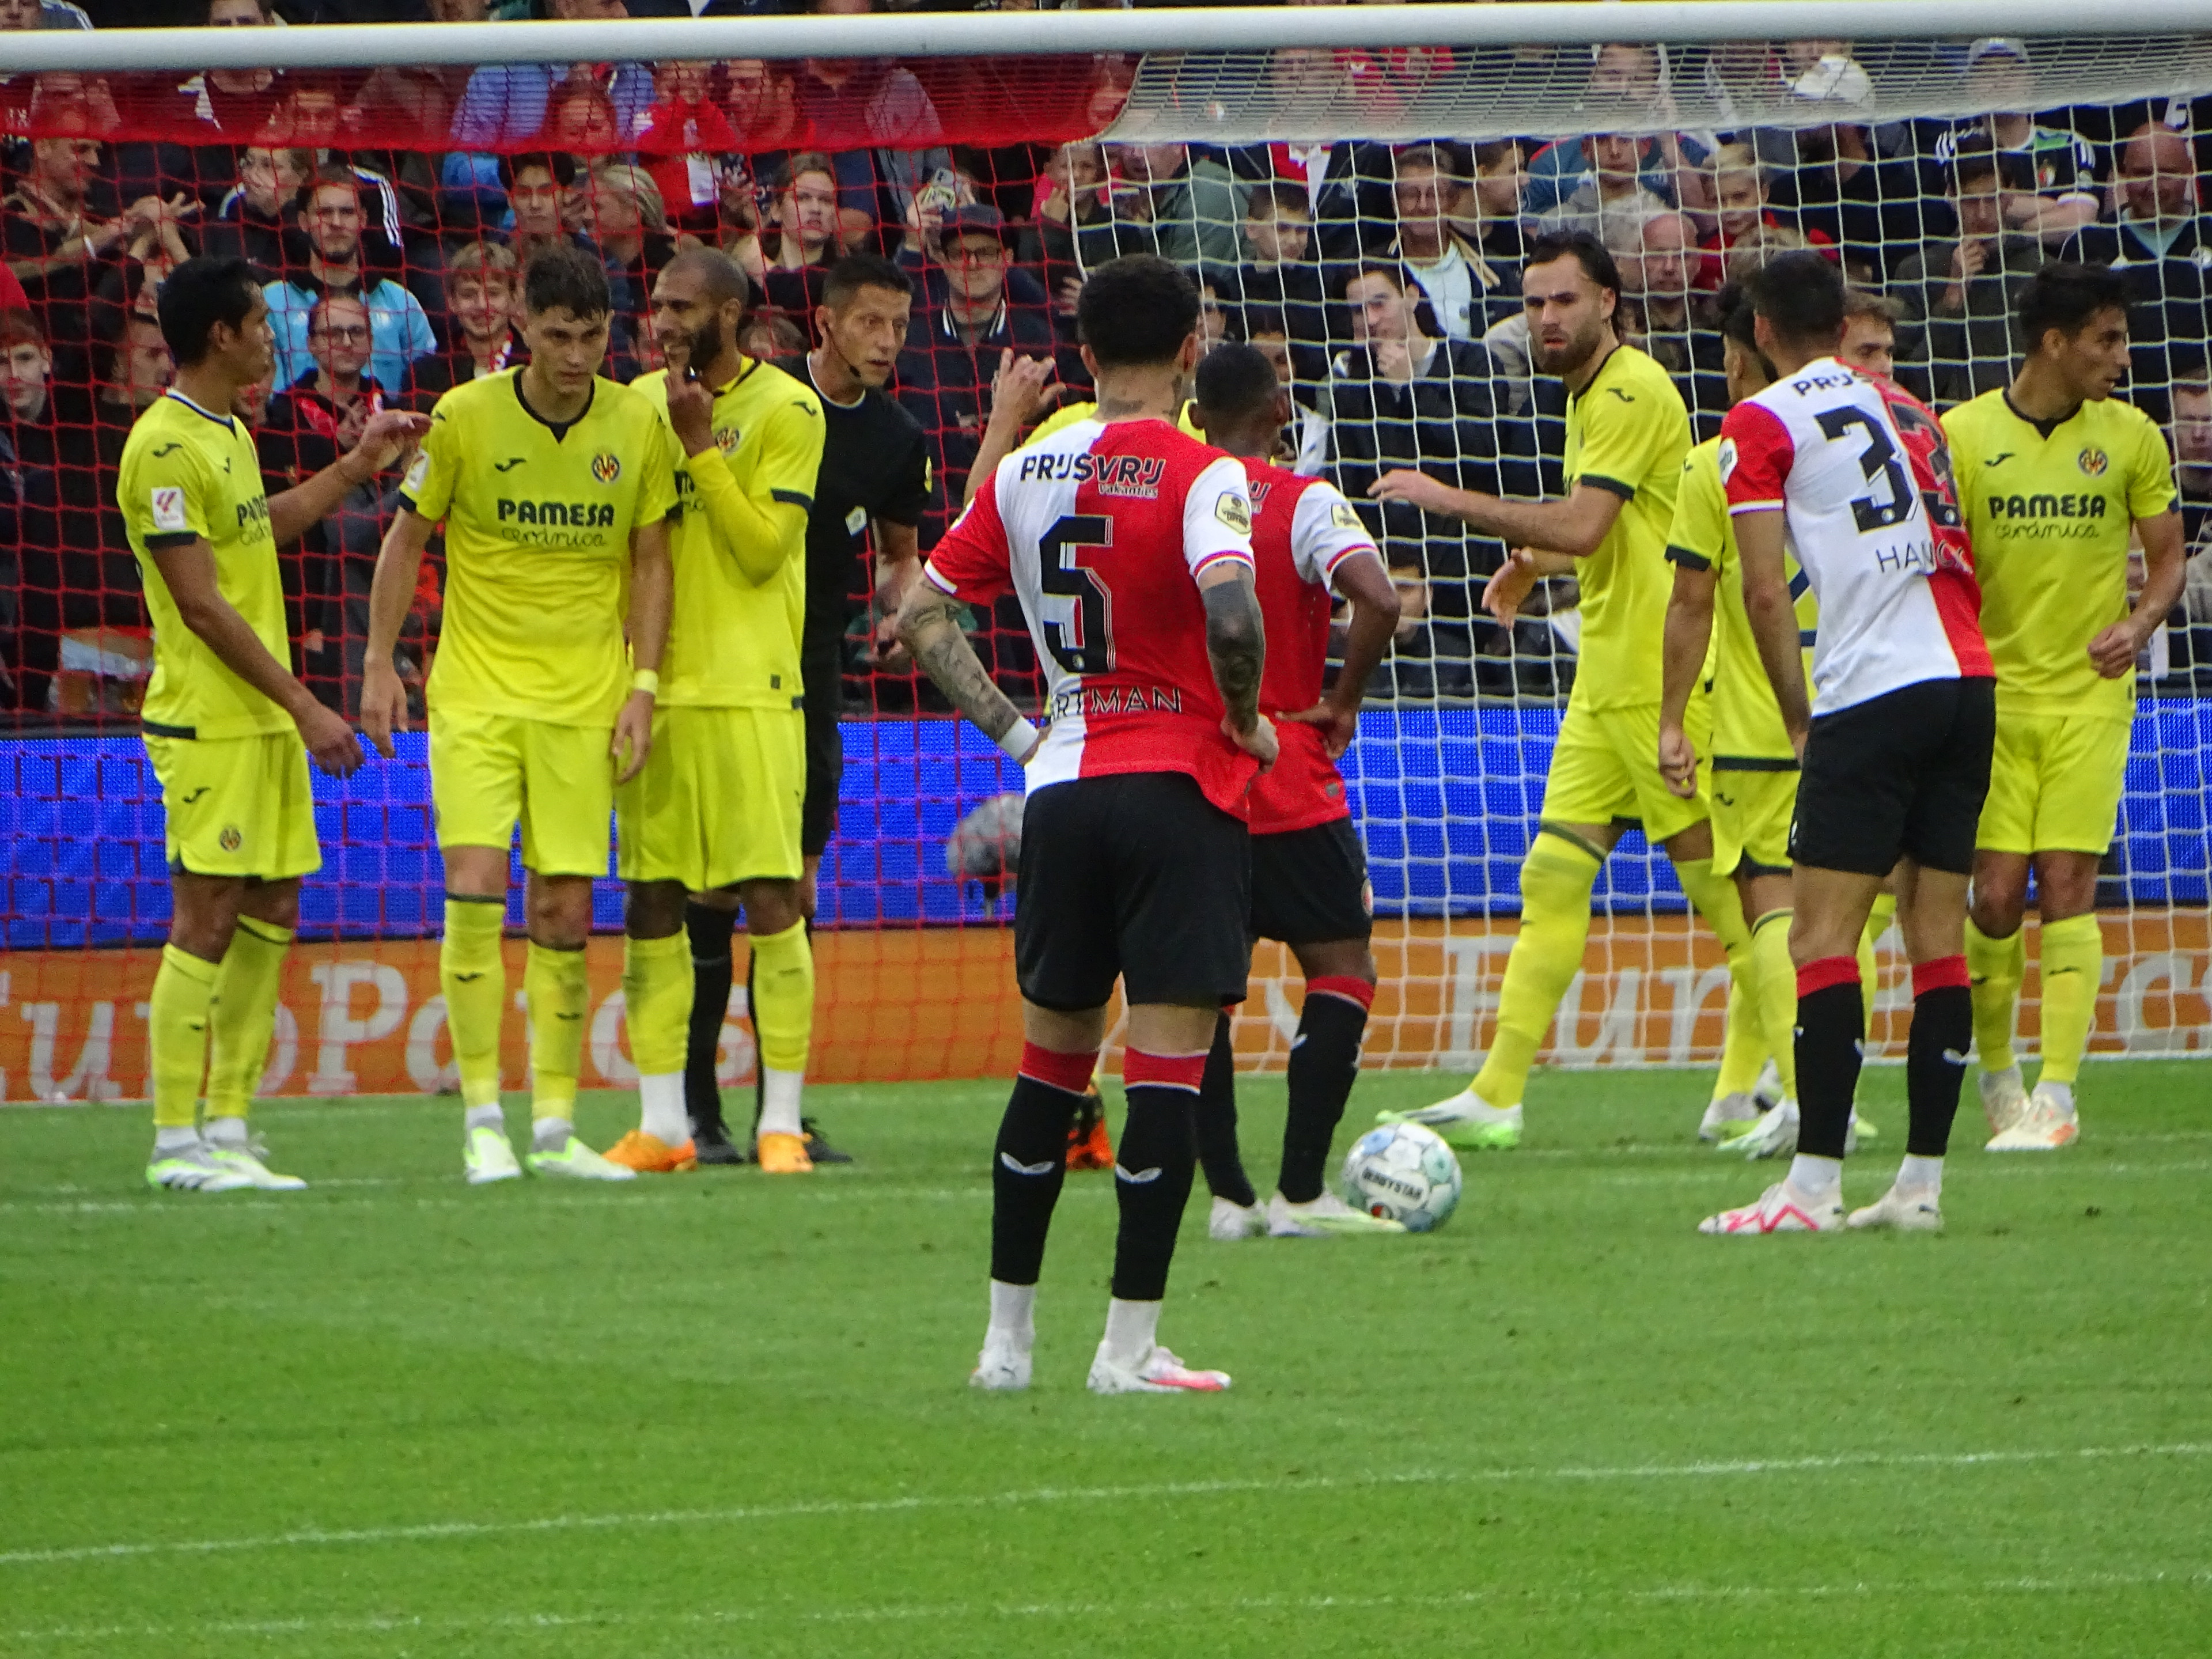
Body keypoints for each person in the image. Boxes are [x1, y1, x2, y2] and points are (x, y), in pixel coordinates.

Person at [895, 254, 1274, 1396]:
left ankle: (1004, 1348)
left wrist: (1024, 740)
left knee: (1048, 1069)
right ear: (1192, 350)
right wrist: (1246, 721)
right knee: (1165, 1074)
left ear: (1087, 350)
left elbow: (919, 613)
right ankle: (1127, 1350)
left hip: (1060, 789)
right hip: (1179, 793)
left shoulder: (1019, 473)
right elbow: (1233, 612)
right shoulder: (1206, 473)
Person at [1366, 231, 1757, 1150]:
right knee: (1553, 871)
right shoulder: (1592, 396)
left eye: (1564, 301)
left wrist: (1444, 497)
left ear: (1609, 304)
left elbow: (1587, 526)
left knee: (1730, 896)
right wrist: (1534, 566)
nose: (1546, 318)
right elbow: (1630, 527)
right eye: (1535, 303)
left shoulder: (1625, 390)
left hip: (1660, 678)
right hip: (1609, 675)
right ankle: (1499, 1092)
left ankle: (1783, 1086)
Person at [359, 244, 679, 1186]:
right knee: (472, 885)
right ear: (521, 330)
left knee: (566, 905)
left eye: (590, 336)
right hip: (478, 696)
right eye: (555, 336)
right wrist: (379, 665)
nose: (574, 355)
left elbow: (653, 560)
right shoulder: (463, 418)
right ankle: (483, 1122)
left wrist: (643, 686)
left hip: (585, 700)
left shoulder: (637, 422)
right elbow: (405, 537)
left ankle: (553, 1125)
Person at [1703, 248, 1992, 1236]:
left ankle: (1812, 1189)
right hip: (1967, 680)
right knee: (1937, 944)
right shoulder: (1914, 411)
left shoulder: (1762, 418)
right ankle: (1920, 1187)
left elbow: (1758, 589)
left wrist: (1798, 715)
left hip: (1874, 689)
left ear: (1767, 334)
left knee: (1822, 940)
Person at [120, 255, 423, 1192]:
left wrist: (355, 464)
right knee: (206, 916)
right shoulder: (164, 446)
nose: (271, 335)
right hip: (209, 723)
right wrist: (305, 705)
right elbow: (202, 605)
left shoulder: (232, 432)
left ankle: (230, 1125)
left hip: (259, 723)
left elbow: (263, 526)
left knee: (274, 908)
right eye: (260, 321)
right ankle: (176, 1143)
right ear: (222, 334)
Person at [680, 253, 931, 1166]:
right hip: (718, 662)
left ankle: (780, 1112)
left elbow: (902, 550)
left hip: (812, 672)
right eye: (871, 322)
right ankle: (695, 1112)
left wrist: (906, 605)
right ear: (825, 321)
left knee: (794, 885)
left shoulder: (900, 438)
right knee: (706, 885)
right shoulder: (767, 404)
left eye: (900, 325)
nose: (887, 341)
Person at [1945, 264, 2185, 1150]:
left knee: (2070, 885)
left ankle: (2059, 1097)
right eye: (2107, 341)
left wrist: (2140, 621)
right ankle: (2000, 1076)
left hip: (2090, 696)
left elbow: (2165, 558)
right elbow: (1944, 565)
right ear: (2056, 343)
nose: (2121, 358)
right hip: (1996, 699)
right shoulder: (1964, 435)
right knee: (1997, 899)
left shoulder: (2131, 438)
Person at [600, 249, 828, 1176]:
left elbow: (766, 550)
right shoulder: (633, 406)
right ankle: (663, 1127)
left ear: (732, 314)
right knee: (650, 903)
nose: (661, 319)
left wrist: (700, 446)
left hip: (753, 693)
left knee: (773, 901)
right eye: (655, 303)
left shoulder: (789, 410)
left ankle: (780, 1123)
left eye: (682, 306)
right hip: (654, 694)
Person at [1183, 342, 1406, 1240]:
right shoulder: (1304, 500)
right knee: (1343, 970)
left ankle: (1229, 1197)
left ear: (1194, 418)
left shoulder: (1178, 499)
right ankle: (1301, 1193)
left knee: (1199, 994)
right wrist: (1341, 704)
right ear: (1282, 415)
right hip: (1291, 773)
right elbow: (1381, 601)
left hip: (1195, 780)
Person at [2060, 125, 2212, 422]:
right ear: (2122, 174)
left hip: (2203, 430)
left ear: (2189, 171)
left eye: (2167, 173)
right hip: (2115, 421)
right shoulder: (2091, 244)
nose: (2154, 187)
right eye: (2142, 174)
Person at [1893, 137, 2045, 409]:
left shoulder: (2044, 271)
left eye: (1993, 198)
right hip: (1949, 431)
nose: (1983, 213)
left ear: (2010, 195)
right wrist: (1953, 296)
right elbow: (1910, 387)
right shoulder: (1916, 272)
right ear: (1951, 197)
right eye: (1971, 201)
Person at [263, 166, 434, 395]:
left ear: (363, 220)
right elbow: (267, 397)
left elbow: (425, 388)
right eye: (324, 213)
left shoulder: (401, 303)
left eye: (347, 212)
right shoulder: (271, 303)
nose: (336, 222)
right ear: (304, 221)